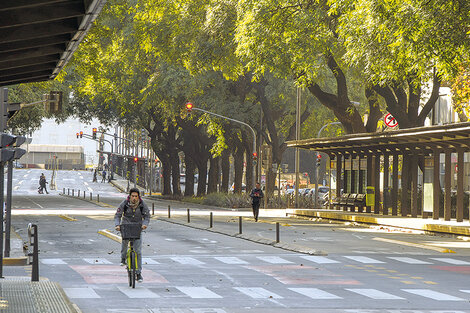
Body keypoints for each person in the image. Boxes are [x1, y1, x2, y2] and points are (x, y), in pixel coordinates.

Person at [114, 188, 150, 282]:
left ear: (139, 197)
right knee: (125, 243)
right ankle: (123, 259)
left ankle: (138, 273)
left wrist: (145, 224)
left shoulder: (142, 205)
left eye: (136, 196)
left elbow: (147, 216)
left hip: (138, 227)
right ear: (130, 196)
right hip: (126, 225)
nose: (134, 198)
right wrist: (117, 225)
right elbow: (118, 215)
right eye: (132, 196)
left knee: (138, 251)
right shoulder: (125, 203)